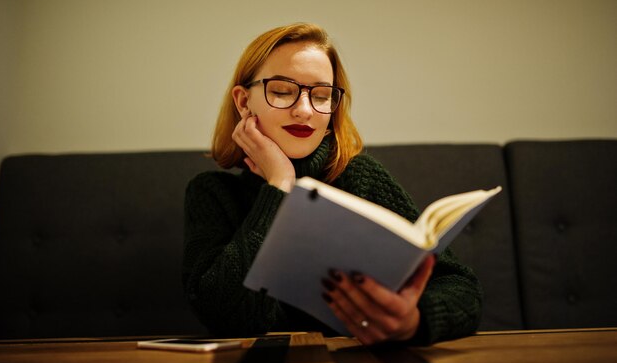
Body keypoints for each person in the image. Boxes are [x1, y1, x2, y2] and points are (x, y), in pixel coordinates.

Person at [182, 23, 482, 345]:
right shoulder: (212, 193)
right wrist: (279, 184)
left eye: (322, 95)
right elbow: (223, 315)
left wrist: (414, 321)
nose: (304, 110)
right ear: (243, 102)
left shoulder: (360, 176)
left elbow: (461, 288)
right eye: (282, 91)